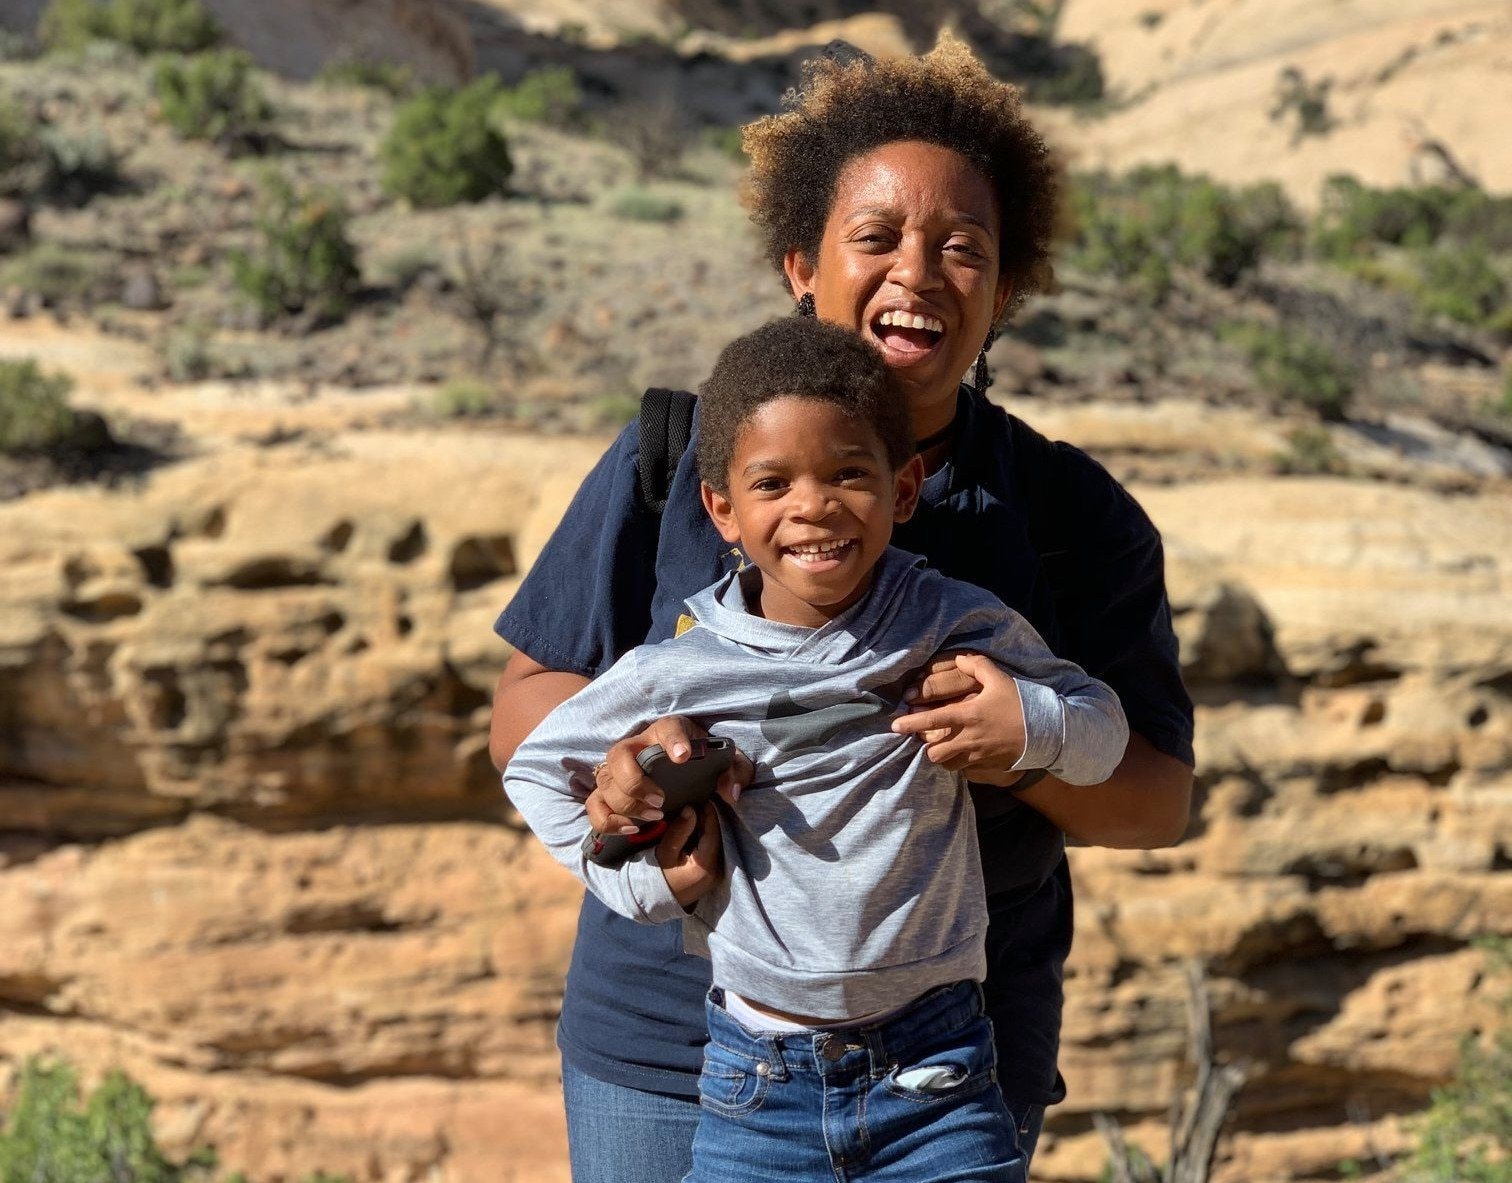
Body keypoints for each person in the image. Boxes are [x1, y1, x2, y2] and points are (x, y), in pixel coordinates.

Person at [490, 32, 1195, 1182]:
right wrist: (627, 767)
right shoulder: (676, 463)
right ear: (800, 267)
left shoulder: (1068, 510)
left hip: (951, 1063)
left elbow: (1157, 801)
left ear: (1004, 293)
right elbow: (526, 704)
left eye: (963, 249)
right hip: (669, 1047)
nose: (918, 271)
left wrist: (1021, 744)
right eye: (876, 237)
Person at [504, 316, 1130, 1181]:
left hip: (939, 1076)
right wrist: (640, 885)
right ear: (720, 509)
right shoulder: (681, 669)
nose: (814, 505)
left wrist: (1027, 726)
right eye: (774, 482)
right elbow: (535, 764)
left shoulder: (950, 620)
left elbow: (1103, 733)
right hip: (753, 1085)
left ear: (903, 488)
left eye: (848, 474)